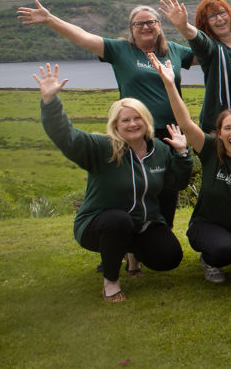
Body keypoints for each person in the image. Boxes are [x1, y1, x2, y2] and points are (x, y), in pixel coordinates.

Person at [17, 0, 195, 227]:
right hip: (133, 132)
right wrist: (51, 19)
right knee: (127, 187)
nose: (145, 27)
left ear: (159, 25)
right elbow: (83, 37)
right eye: (138, 24)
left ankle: (160, 234)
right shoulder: (120, 50)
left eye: (150, 22)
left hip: (171, 133)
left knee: (167, 189)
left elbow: (210, 54)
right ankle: (126, 245)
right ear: (131, 29)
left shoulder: (175, 51)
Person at [35, 63, 192, 302]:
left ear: (146, 121)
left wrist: (182, 154)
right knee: (118, 220)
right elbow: (66, 137)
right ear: (115, 126)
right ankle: (111, 281)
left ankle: (132, 254)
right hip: (98, 226)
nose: (132, 124)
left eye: (137, 118)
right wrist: (50, 103)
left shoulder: (159, 149)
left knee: (169, 258)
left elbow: (176, 183)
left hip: (142, 224)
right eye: (125, 120)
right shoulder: (102, 148)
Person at [147, 53, 231, 284]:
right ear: (219, 133)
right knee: (223, 249)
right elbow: (185, 123)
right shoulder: (209, 147)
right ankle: (210, 261)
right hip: (207, 223)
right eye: (227, 128)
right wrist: (169, 84)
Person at [158, 0, 231, 141]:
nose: (219, 19)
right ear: (206, 24)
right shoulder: (210, 49)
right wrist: (183, 26)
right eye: (212, 16)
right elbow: (196, 38)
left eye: (222, 12)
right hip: (222, 128)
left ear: (229, 15)